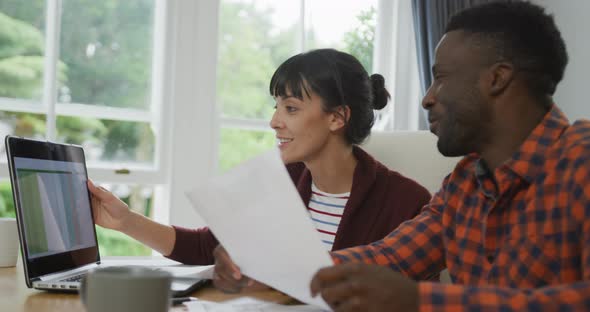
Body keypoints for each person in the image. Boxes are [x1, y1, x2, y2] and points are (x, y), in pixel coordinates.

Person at [216, 2, 590, 310]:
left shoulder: (581, 161)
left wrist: (419, 300)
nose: (428, 97)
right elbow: (389, 256)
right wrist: (268, 269)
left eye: (441, 77)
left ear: (497, 79)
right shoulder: (464, 184)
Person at [88, 49, 431, 270]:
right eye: (276, 107)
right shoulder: (279, 177)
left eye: (291, 108)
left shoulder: (407, 202)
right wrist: (127, 221)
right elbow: (207, 246)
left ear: (337, 118)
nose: (274, 121)